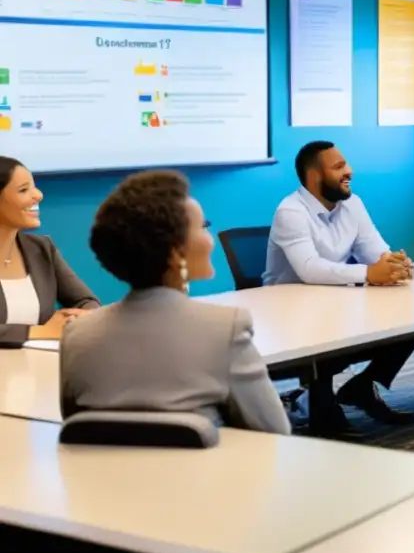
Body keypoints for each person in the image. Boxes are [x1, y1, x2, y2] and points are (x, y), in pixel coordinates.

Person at [60, 170, 290, 435]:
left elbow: (78, 433)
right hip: (203, 476)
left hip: (102, 477)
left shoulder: (77, 334)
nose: (210, 239)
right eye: (202, 227)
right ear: (175, 253)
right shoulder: (224, 329)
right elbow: (274, 432)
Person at [264, 141, 414, 429]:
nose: (349, 172)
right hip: (290, 316)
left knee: (412, 317)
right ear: (314, 177)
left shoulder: (352, 204)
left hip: (334, 304)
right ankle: (322, 407)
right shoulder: (291, 212)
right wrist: (371, 273)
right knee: (332, 326)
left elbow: (376, 253)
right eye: (338, 167)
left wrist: (396, 264)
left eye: (346, 164)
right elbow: (310, 269)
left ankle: (362, 386)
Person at [0, 156, 99, 347]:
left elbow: (86, 301)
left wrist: (79, 318)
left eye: (34, 186)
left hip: (38, 370)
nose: (38, 195)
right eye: (23, 190)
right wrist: (38, 331)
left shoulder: (42, 248)